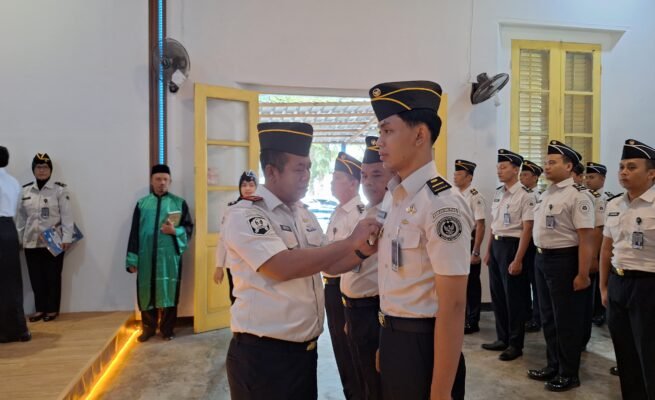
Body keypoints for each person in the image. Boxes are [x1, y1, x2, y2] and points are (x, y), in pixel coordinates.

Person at [222, 122, 380, 400]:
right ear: (272, 171)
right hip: (264, 357)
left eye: (308, 167)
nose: (307, 176)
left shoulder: (302, 213)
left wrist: (360, 253)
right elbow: (281, 266)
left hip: (303, 353)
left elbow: (328, 266)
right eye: (299, 169)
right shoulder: (246, 214)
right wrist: (349, 242)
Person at [370, 80, 472, 400]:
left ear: (420, 135)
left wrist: (440, 391)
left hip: (425, 345)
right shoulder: (395, 196)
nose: (379, 141)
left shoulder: (442, 204)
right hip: (395, 338)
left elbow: (453, 305)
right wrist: (387, 342)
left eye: (388, 131)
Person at [528, 140, 594, 392]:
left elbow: (586, 237)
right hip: (542, 259)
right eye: (546, 162)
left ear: (568, 166)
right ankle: (553, 365)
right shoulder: (546, 193)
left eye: (552, 162)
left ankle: (569, 373)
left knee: (566, 319)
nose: (546, 166)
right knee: (548, 316)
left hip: (564, 261)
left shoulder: (578, 195)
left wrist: (582, 273)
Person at [600, 139, 655, 400]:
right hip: (618, 283)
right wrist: (604, 287)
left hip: (649, 286)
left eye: (632, 167)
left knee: (650, 354)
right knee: (625, 354)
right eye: (621, 166)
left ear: (651, 173)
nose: (623, 172)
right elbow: (606, 249)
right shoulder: (614, 205)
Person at [341, 136, 392, 400]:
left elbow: (391, 278)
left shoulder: (392, 214)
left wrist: (385, 336)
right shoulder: (368, 211)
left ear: (391, 176)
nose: (368, 182)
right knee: (363, 379)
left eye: (376, 175)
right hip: (356, 311)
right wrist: (349, 315)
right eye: (364, 175)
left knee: (376, 384)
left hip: (374, 312)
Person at [126, 164, 194, 342]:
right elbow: (134, 233)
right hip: (146, 256)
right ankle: (148, 328)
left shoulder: (179, 203)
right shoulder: (142, 204)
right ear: (151, 180)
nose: (161, 183)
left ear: (170, 181)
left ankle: (167, 329)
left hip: (169, 258)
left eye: (165, 179)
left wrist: (175, 231)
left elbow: (188, 229)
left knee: (169, 290)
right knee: (146, 290)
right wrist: (132, 260)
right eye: (158, 179)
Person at [482, 149, 535, 362]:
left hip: (513, 247)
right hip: (497, 246)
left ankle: (515, 344)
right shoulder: (499, 193)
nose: (499, 171)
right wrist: (488, 251)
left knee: (514, 299)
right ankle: (502, 338)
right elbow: (493, 225)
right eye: (498, 167)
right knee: (498, 296)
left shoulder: (525, 195)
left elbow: (527, 228)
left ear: (515, 169)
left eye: (503, 167)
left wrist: (518, 259)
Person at [325, 151, 365, 400]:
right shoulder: (337, 211)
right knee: (340, 350)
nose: (332, 182)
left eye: (337, 178)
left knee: (353, 354)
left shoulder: (359, 214)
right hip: (331, 287)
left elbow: (357, 258)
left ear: (353, 183)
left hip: (346, 287)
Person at [16, 153, 74, 322]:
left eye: (45, 167)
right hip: (31, 242)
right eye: (38, 167)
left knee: (52, 277)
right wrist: (19, 239)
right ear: (33, 170)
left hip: (53, 242)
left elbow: (67, 216)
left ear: (50, 170)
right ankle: (40, 309)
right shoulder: (25, 191)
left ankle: (52, 309)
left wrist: (67, 238)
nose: (42, 170)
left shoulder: (59, 190)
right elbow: (21, 219)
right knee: (36, 278)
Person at [0, 146, 31, 343]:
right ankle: (19, 329)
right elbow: (19, 210)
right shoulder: (13, 181)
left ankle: (3, 331)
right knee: (12, 280)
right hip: (9, 229)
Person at [452, 159, 486, 334]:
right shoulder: (454, 194)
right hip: (457, 243)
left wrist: (476, 251)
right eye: (455, 173)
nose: (455, 176)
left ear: (469, 177)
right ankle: (462, 318)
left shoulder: (475, 196)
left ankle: (473, 321)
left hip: (470, 242)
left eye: (459, 174)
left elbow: (480, 225)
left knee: (472, 284)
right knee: (459, 283)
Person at [214, 171, 258, 305]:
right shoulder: (231, 209)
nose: (248, 188)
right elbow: (223, 238)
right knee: (236, 298)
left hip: (255, 262)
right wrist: (219, 266)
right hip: (233, 263)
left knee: (255, 299)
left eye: (251, 185)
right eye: (244, 185)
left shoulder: (263, 208)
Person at [584, 162, 611, 327]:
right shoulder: (585, 196)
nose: (587, 180)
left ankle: (600, 312)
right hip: (587, 246)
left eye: (591, 177)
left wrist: (595, 255)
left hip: (600, 247)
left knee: (601, 279)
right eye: (586, 177)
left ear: (602, 179)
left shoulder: (604, 198)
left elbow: (599, 228)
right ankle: (591, 311)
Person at [520, 159, 544, 333]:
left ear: (535, 177)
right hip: (523, 242)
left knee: (536, 284)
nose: (522, 177)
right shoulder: (521, 195)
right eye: (521, 174)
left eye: (526, 174)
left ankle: (537, 318)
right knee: (523, 282)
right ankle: (526, 315)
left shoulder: (540, 196)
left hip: (534, 244)